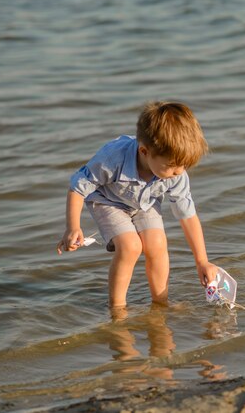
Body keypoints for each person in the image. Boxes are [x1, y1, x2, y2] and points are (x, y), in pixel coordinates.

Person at [56, 101, 218, 308]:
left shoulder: (176, 171)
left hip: (145, 203)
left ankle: (161, 303)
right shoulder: (113, 158)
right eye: (172, 166)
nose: (179, 172)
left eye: (183, 165)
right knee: (131, 246)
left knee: (157, 244)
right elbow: (77, 188)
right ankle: (117, 309)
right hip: (107, 201)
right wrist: (73, 227)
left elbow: (187, 215)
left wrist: (202, 261)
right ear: (144, 152)